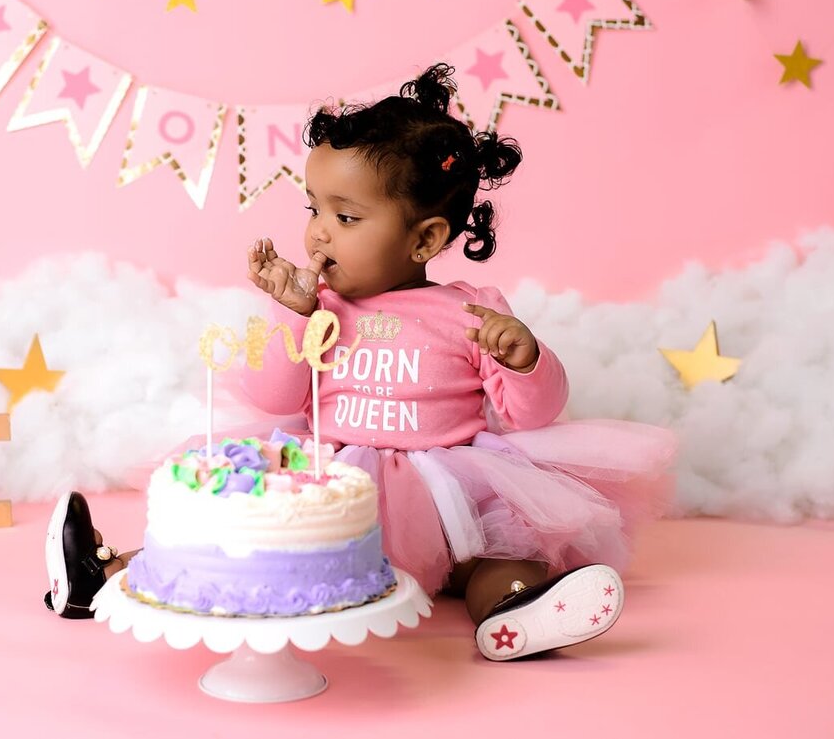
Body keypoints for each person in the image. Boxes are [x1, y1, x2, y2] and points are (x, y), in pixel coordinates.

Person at [45, 63, 675, 661]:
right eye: (313, 208)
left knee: (499, 554)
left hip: (449, 490)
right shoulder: (318, 305)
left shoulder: (471, 312)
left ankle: (515, 612)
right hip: (330, 478)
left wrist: (525, 357)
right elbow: (273, 397)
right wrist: (293, 312)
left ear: (424, 238)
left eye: (345, 216)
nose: (320, 231)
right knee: (245, 535)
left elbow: (533, 415)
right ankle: (107, 575)